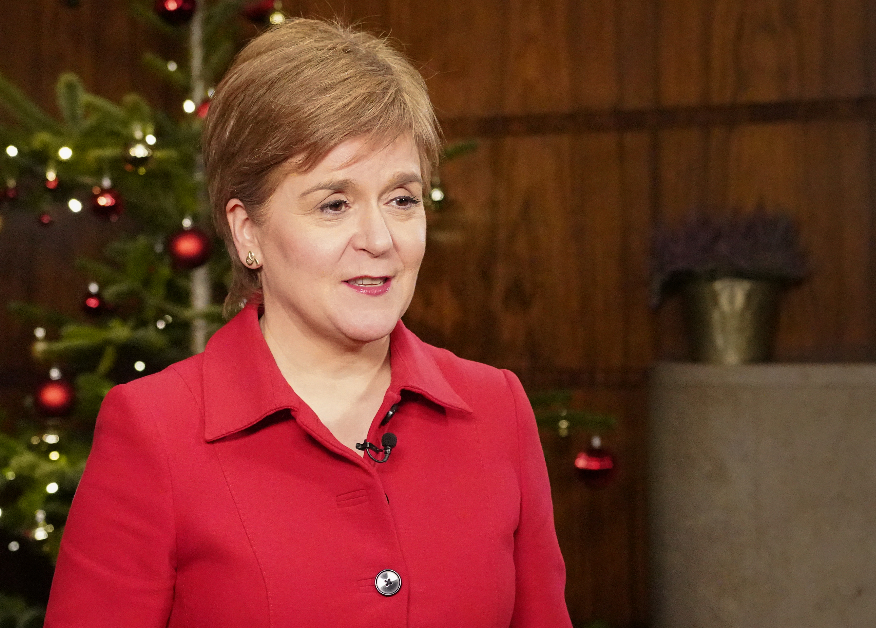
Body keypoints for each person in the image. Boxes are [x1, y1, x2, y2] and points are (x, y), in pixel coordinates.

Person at [45, 18, 570, 628]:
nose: (379, 239)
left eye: (402, 199)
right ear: (247, 231)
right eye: (334, 204)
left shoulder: (497, 408)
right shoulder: (154, 430)